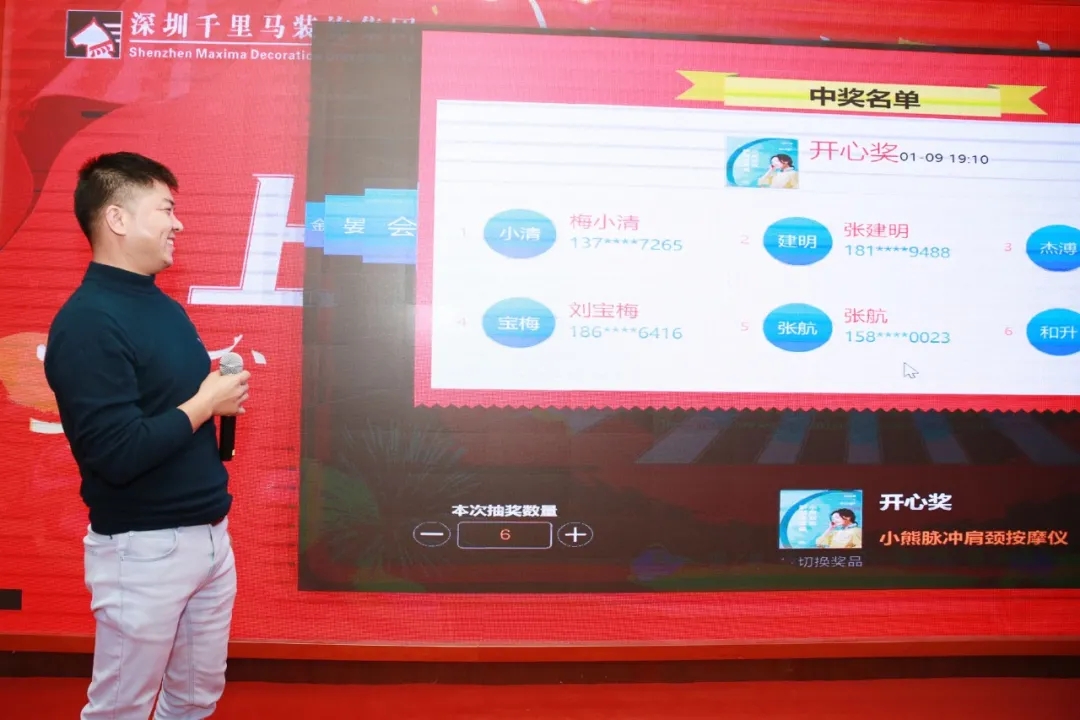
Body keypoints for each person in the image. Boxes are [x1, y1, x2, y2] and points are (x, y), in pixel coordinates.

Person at [43, 152, 251, 720]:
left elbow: (170, 414)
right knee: (122, 709)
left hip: (209, 537)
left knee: (194, 699)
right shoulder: (88, 322)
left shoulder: (162, 308)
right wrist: (205, 403)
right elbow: (116, 452)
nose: (177, 224)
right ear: (117, 218)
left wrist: (215, 401)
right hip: (142, 550)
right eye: (166, 209)